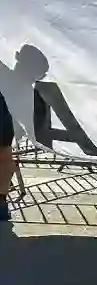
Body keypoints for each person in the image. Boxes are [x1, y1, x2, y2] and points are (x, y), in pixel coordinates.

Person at [0, 45, 48, 222]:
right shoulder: (31, 95)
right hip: (4, 139)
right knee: (5, 160)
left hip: (4, 138)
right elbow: (37, 126)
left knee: (5, 160)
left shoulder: (4, 74)